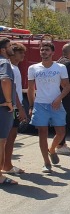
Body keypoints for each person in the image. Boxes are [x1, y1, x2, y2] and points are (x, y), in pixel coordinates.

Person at [27, 42, 70, 174]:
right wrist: (31, 105)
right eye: (42, 50)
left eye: (46, 50)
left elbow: (66, 86)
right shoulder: (33, 68)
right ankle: (46, 163)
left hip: (56, 104)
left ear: (53, 52)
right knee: (42, 133)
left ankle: (52, 149)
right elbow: (31, 89)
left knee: (61, 132)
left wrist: (59, 99)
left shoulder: (60, 67)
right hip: (40, 104)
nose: (44, 52)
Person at [2, 42, 26, 177]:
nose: (23, 55)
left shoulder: (13, 67)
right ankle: (7, 165)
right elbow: (13, 91)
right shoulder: (11, 68)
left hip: (13, 106)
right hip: (14, 107)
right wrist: (20, 108)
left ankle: (5, 163)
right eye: (20, 52)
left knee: (9, 137)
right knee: (10, 137)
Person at [0, 38, 17, 185]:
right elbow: (5, 81)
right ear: (4, 50)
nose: (13, 48)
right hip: (2, 108)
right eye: (10, 46)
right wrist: (9, 102)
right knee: (1, 142)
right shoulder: (4, 63)